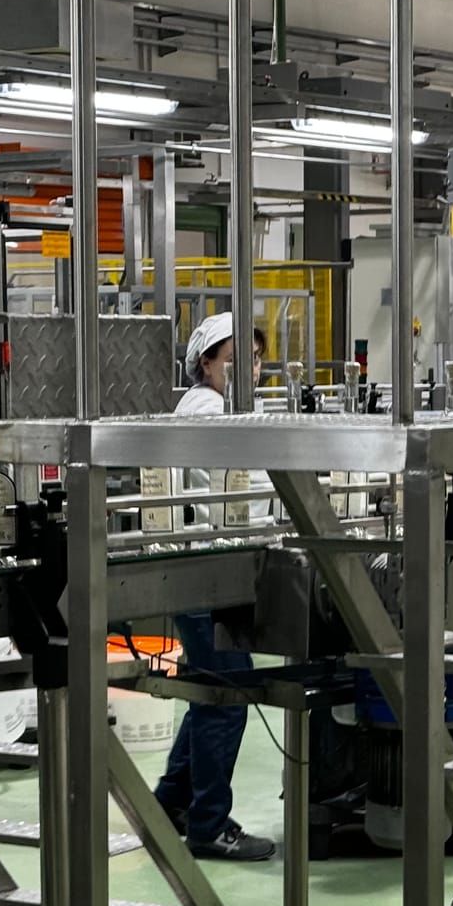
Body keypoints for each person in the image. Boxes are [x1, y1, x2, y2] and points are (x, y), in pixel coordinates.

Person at [153, 312, 276, 861]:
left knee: (208, 691)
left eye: (256, 360)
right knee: (227, 698)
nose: (251, 370)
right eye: (236, 360)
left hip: (209, 571)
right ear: (206, 363)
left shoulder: (212, 407)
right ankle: (207, 826)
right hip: (208, 573)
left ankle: (171, 801)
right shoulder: (210, 409)